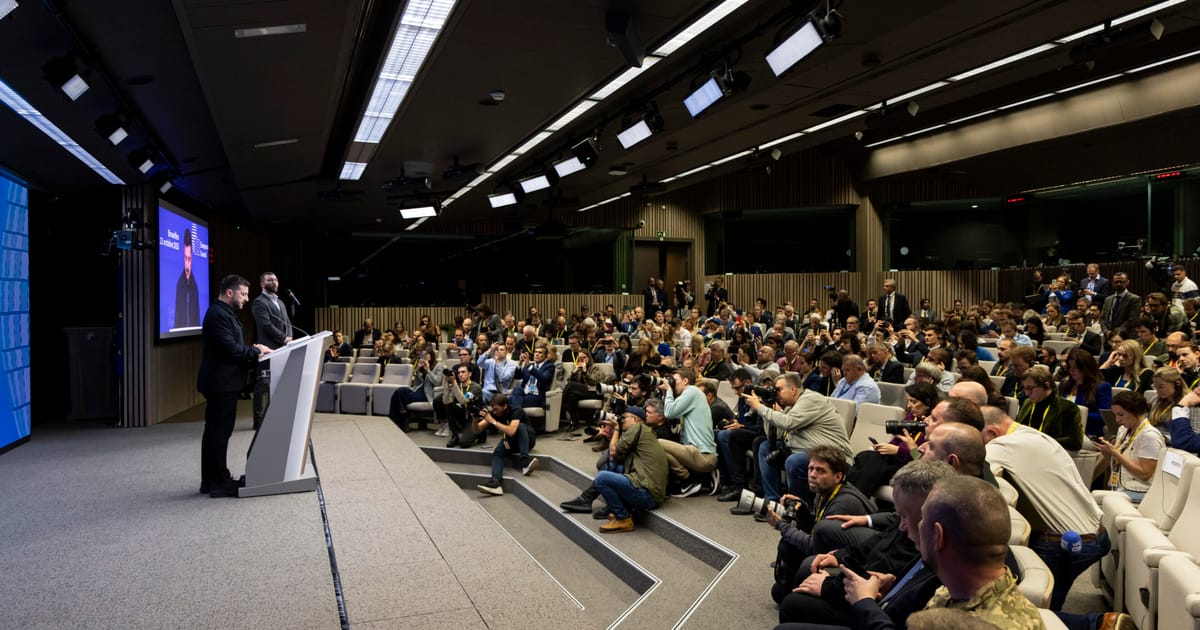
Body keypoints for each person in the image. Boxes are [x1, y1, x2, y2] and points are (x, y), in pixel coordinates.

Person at [981, 406, 1107, 611]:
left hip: (1069, 543)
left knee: (1032, 612)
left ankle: (1096, 625)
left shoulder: (1001, 445)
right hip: (1094, 533)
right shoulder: (1032, 434)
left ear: (992, 433)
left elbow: (967, 472)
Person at [768, 445, 876, 603]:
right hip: (834, 550)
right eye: (811, 469)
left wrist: (781, 525)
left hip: (855, 564)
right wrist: (803, 509)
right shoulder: (826, 490)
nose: (812, 475)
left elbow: (815, 546)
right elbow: (817, 527)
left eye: (820, 471)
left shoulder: (843, 504)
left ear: (838, 476)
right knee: (779, 591)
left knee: (788, 547)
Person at [197, 275, 272, 498]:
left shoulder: (223, 313)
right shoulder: (217, 314)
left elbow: (231, 346)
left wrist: (252, 348)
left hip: (224, 383)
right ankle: (218, 481)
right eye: (244, 294)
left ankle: (212, 479)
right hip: (221, 383)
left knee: (216, 433)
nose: (247, 299)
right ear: (229, 293)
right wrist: (256, 351)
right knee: (218, 433)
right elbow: (230, 349)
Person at [749, 371, 853, 505]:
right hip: (807, 450)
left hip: (833, 455)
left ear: (793, 389)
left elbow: (788, 422)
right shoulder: (792, 406)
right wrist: (769, 408)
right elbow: (775, 435)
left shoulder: (810, 399)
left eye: (779, 389)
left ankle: (798, 508)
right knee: (765, 446)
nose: (776, 393)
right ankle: (773, 501)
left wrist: (760, 408)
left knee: (795, 461)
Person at [593, 406, 669, 533]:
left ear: (634, 419)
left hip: (647, 494)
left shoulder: (636, 428)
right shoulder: (644, 432)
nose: (621, 420)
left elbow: (613, 451)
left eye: (624, 418)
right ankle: (625, 510)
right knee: (615, 467)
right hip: (652, 491)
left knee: (602, 478)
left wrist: (616, 429)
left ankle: (623, 518)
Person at [1092, 390, 1163, 502]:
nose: (1117, 420)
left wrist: (1116, 453)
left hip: (1142, 492)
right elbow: (1116, 464)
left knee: (1098, 500)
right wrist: (1106, 452)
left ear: (1135, 411)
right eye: (1115, 415)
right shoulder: (1123, 430)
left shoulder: (1150, 436)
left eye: (1121, 414)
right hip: (1121, 486)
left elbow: (1144, 474)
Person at [658, 367, 719, 496]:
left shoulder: (692, 391)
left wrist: (669, 390)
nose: (672, 384)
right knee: (662, 450)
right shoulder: (691, 396)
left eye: (674, 381)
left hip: (703, 456)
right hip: (698, 454)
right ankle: (701, 478)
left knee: (656, 443)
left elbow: (669, 413)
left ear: (685, 381)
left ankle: (689, 481)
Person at [250, 272, 292, 431]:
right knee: (263, 384)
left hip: (283, 348)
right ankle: (258, 420)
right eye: (269, 280)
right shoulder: (259, 302)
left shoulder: (280, 302)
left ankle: (275, 416)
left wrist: (290, 337)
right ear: (262, 284)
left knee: (279, 382)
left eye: (275, 279)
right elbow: (266, 325)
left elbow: (287, 321)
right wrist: (284, 338)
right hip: (267, 348)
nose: (274, 282)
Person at [475, 394, 540, 495]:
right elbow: (477, 430)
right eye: (493, 409)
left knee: (521, 426)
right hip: (509, 442)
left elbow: (511, 431)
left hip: (527, 440)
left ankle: (525, 462)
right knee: (498, 452)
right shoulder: (495, 414)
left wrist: (492, 421)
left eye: (496, 409)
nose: (494, 412)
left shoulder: (516, 410)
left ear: (505, 406)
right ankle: (495, 482)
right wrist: (475, 419)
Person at [1016, 365, 1084, 451]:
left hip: (1048, 453)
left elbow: (1075, 442)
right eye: (1025, 388)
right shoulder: (1027, 403)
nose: (1027, 393)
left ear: (1046, 385)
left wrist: (1041, 441)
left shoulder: (1068, 408)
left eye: (1030, 388)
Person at [1060, 347, 1112, 437]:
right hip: (1064, 431)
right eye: (1070, 367)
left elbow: (1102, 418)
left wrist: (1076, 414)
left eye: (1076, 367)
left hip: (1088, 434)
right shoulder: (1066, 385)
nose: (1071, 370)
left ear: (1086, 368)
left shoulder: (1102, 387)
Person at [174, 228, 200, 328]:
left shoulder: (195, 286)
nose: (187, 264)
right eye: (185, 258)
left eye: (189, 259)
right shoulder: (180, 284)